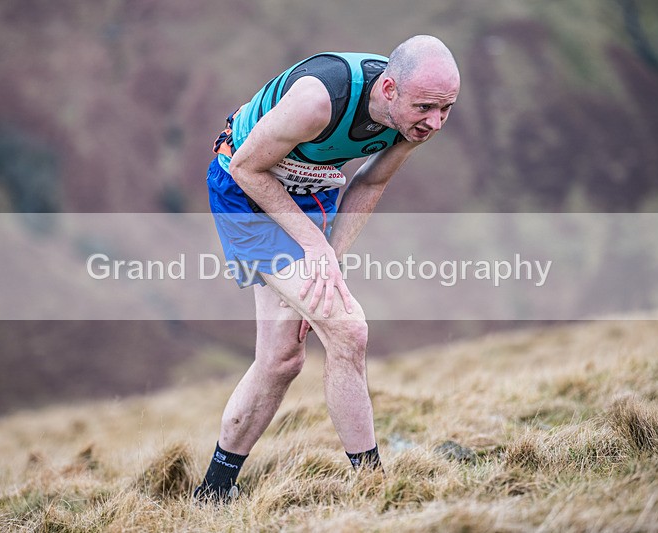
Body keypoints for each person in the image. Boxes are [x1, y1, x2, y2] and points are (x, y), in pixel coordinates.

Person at [194, 35, 460, 502]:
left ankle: (213, 492)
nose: (435, 122)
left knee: (281, 360)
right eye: (426, 108)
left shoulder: (413, 117)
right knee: (348, 328)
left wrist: (329, 258)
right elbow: (246, 169)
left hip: (310, 192)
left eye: (446, 109)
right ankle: (375, 488)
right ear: (390, 89)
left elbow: (371, 179)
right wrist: (315, 247)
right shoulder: (320, 100)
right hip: (245, 191)